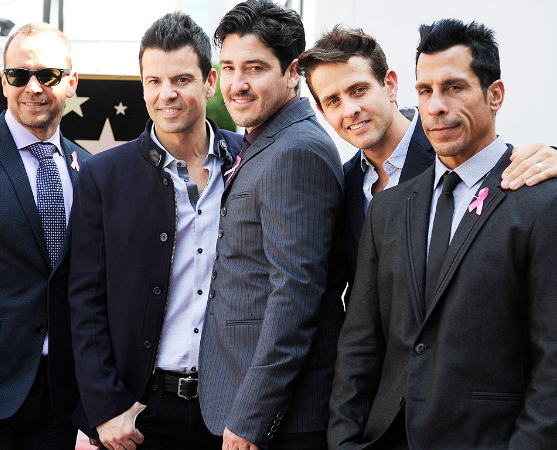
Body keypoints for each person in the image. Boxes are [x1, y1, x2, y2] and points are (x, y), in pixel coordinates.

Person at [328, 18, 557, 449]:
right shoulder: (388, 209)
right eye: (425, 90)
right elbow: (359, 345)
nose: (435, 106)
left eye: (454, 88)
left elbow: (552, 362)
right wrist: (344, 440)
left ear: (495, 95)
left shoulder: (541, 199)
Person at [68, 12, 242, 450]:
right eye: (154, 81)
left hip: (231, 412)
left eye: (181, 79)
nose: (167, 94)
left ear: (210, 82)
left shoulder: (249, 160)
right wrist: (106, 407)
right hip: (140, 413)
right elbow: (85, 302)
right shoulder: (102, 176)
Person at [299, 25, 557, 299]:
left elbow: (503, 167)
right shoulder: (344, 184)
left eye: (359, 90)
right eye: (333, 101)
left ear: (390, 85)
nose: (350, 110)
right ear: (322, 113)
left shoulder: (452, 148)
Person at [198, 1, 345, 449]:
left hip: (280, 422)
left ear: (292, 71)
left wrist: (251, 417)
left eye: (255, 68)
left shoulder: (296, 151)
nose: (236, 84)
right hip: (246, 402)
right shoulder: (267, 139)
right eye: (228, 67)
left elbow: (295, 296)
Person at [0, 22, 90, 450]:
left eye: (47, 75)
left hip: (61, 401)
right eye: (18, 75)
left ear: (70, 82)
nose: (33, 87)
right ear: (3, 82)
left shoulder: (90, 169)